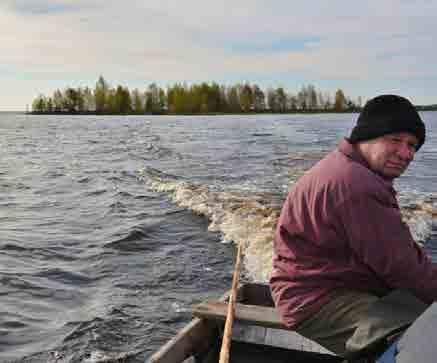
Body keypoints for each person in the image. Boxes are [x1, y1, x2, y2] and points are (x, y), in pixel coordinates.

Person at [269, 95, 436, 357]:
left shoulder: (348, 167)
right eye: (395, 140)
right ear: (367, 136)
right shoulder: (357, 184)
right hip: (316, 300)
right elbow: (401, 266)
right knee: (419, 340)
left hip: (322, 283)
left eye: (413, 145)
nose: (407, 154)